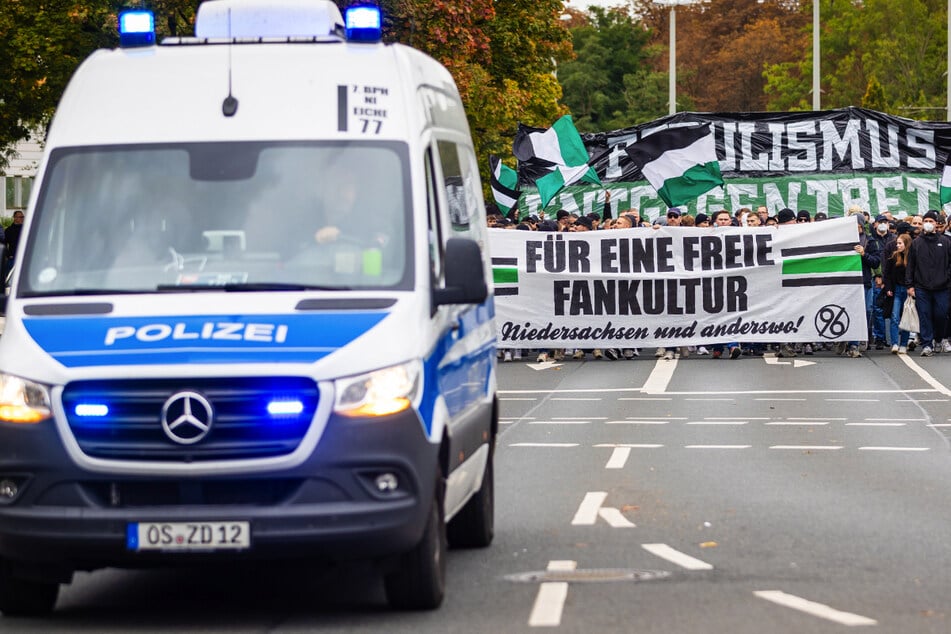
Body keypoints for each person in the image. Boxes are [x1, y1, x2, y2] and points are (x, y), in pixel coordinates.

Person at [905, 210, 951, 357]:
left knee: (941, 315)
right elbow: (910, 265)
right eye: (927, 221)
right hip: (921, 287)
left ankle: (938, 339)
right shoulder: (916, 243)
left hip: (942, 287)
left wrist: (947, 278)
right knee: (924, 315)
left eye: (932, 221)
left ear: (936, 223)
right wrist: (910, 285)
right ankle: (927, 344)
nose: (929, 224)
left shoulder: (945, 242)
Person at [882, 233, 912, 354]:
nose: (897, 245)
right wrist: (888, 287)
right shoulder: (894, 257)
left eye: (900, 243)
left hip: (908, 291)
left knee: (906, 318)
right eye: (897, 243)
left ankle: (904, 344)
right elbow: (887, 274)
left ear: (907, 244)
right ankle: (894, 343)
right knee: (894, 317)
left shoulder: (912, 258)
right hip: (897, 290)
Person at [2, 210, 21, 285]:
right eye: (20, 217)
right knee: (9, 281)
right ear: (15, 218)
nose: (22, 218)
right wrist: (8, 255)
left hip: (23, 256)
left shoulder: (26, 229)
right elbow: (4, 243)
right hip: (12, 257)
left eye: (23, 217)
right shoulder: (9, 230)